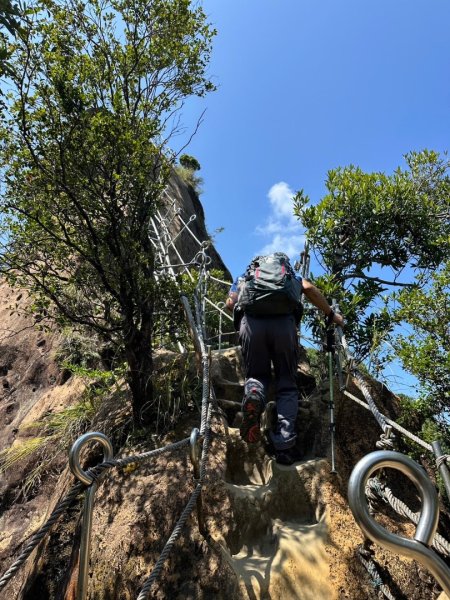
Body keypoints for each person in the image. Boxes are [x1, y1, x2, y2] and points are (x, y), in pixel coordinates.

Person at [226, 253, 344, 466]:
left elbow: (230, 303)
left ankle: (254, 395)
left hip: (251, 324)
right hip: (284, 327)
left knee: (257, 375)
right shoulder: (290, 274)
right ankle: (285, 447)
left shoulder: (246, 275)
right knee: (286, 384)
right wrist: (331, 314)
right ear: (283, 265)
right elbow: (308, 289)